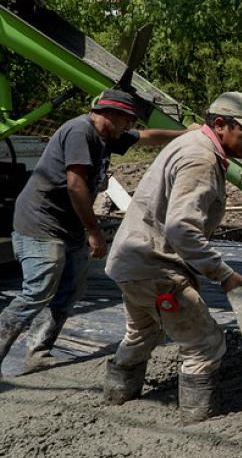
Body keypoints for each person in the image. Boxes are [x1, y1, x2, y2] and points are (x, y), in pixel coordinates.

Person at [102, 92, 242, 424]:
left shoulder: (194, 142)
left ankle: (117, 397)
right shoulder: (202, 158)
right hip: (155, 266)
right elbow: (182, 228)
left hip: (132, 261)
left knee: (142, 333)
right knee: (205, 343)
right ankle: (198, 422)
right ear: (221, 125)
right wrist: (223, 274)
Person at [0, 89, 188, 376]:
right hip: (40, 224)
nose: (129, 126)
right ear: (110, 114)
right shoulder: (81, 132)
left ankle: (38, 351)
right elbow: (75, 184)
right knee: (37, 291)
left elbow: (147, 137)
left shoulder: (107, 135)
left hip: (68, 225)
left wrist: (187, 135)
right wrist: (95, 232)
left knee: (69, 289)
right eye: (127, 120)